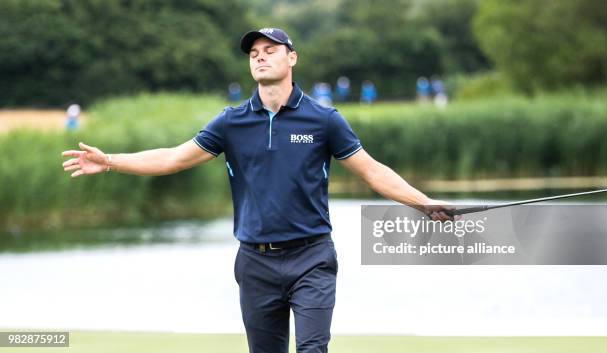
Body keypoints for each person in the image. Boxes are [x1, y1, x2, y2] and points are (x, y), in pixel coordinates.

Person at [61, 28, 454, 353]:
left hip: (312, 257)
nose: (260, 57)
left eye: (270, 50)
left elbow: (372, 172)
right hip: (255, 263)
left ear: (292, 58)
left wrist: (423, 202)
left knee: (313, 350)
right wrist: (110, 160)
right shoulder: (230, 122)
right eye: (254, 53)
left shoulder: (324, 119)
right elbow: (172, 158)